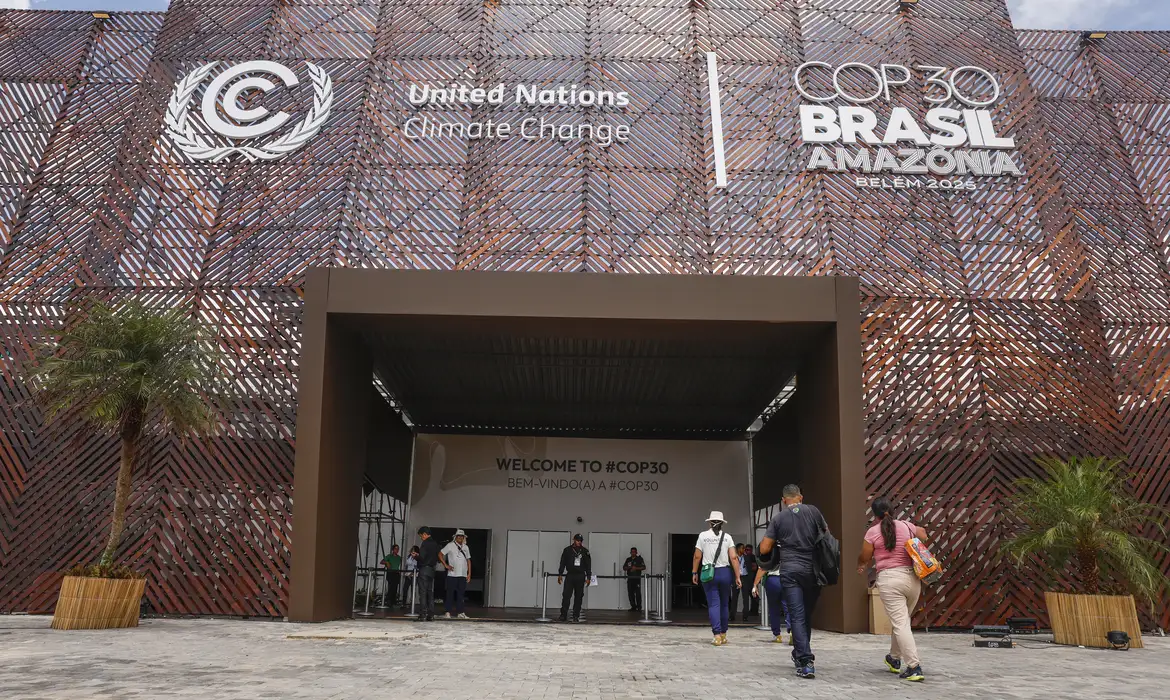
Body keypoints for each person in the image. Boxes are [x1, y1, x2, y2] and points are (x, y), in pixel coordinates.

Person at [758, 484, 832, 679]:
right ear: (800, 497)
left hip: (790, 571)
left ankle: (805, 661)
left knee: (797, 616)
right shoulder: (813, 511)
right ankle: (800, 652)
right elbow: (826, 534)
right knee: (805, 615)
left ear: (784, 500)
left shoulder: (779, 518)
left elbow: (764, 548)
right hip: (812, 571)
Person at [857, 497, 929, 683]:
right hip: (913, 579)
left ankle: (914, 666)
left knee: (901, 624)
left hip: (890, 580)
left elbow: (865, 556)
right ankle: (894, 658)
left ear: (875, 515)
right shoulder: (906, 525)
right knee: (902, 622)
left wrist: (861, 564)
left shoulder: (873, 532)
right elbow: (923, 534)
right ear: (892, 510)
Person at [692, 511, 740, 646]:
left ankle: (717, 635)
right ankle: (724, 634)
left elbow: (697, 556)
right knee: (724, 604)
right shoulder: (727, 537)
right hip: (725, 572)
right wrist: (738, 576)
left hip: (709, 573)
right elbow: (734, 558)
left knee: (714, 604)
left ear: (709, 522)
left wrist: (694, 572)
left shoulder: (703, 536)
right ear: (722, 523)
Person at [752, 564, 791, 644]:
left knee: (774, 609)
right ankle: (792, 631)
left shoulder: (770, 555)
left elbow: (762, 568)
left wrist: (755, 584)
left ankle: (777, 635)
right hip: (787, 579)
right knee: (789, 607)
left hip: (773, 580)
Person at [557, 534, 591, 622]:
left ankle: (576, 616)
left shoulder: (585, 551)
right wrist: (560, 574)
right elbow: (562, 562)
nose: (579, 542)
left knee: (578, 596)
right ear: (574, 540)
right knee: (566, 595)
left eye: (580, 541)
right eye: (577, 540)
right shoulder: (567, 550)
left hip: (580, 575)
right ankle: (563, 615)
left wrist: (588, 577)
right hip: (570, 575)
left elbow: (588, 565)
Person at [440, 529, 473, 619]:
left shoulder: (466, 547)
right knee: (450, 594)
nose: (460, 538)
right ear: (455, 537)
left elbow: (468, 560)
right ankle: (447, 612)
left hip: (463, 574)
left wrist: (469, 573)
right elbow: (440, 554)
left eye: (462, 536)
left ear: (464, 538)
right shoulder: (450, 545)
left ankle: (460, 612)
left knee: (461, 594)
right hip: (452, 574)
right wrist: (446, 565)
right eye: (458, 536)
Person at [415, 527, 440, 622]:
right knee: (430, 593)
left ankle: (422, 614)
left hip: (424, 569)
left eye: (421, 536)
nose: (421, 538)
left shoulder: (425, 543)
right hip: (432, 570)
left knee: (423, 592)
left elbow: (422, 558)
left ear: (425, 534)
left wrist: (416, 556)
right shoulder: (435, 544)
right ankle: (431, 614)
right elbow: (438, 557)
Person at [622, 547, 646, 612]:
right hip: (630, 578)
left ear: (636, 552)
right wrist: (629, 567)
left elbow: (644, 567)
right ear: (630, 552)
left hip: (637, 578)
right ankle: (633, 607)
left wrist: (636, 568)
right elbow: (624, 568)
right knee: (630, 593)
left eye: (634, 552)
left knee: (638, 594)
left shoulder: (639, 559)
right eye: (632, 552)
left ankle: (639, 607)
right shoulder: (628, 559)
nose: (633, 553)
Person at [730, 543, 747, 622]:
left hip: (744, 577)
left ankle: (745, 616)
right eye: (742, 548)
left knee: (745, 598)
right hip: (736, 578)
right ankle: (732, 615)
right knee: (734, 597)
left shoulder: (746, 557)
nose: (744, 550)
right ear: (738, 549)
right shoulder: (733, 558)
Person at [743, 544, 759, 618]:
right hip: (748, 578)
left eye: (748, 550)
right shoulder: (745, 557)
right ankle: (752, 610)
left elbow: (754, 567)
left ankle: (754, 611)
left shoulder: (752, 557)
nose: (747, 551)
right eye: (746, 550)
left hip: (753, 578)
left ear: (751, 550)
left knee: (754, 595)